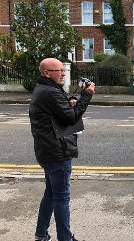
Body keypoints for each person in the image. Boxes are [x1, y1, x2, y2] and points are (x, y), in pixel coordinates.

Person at [29, 58, 95, 241]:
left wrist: (71, 101)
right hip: (57, 151)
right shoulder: (50, 92)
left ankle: (41, 234)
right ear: (46, 73)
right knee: (61, 198)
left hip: (47, 150)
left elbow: (58, 111)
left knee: (50, 194)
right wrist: (87, 95)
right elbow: (71, 118)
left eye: (63, 70)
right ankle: (65, 238)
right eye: (58, 70)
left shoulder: (44, 89)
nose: (63, 73)